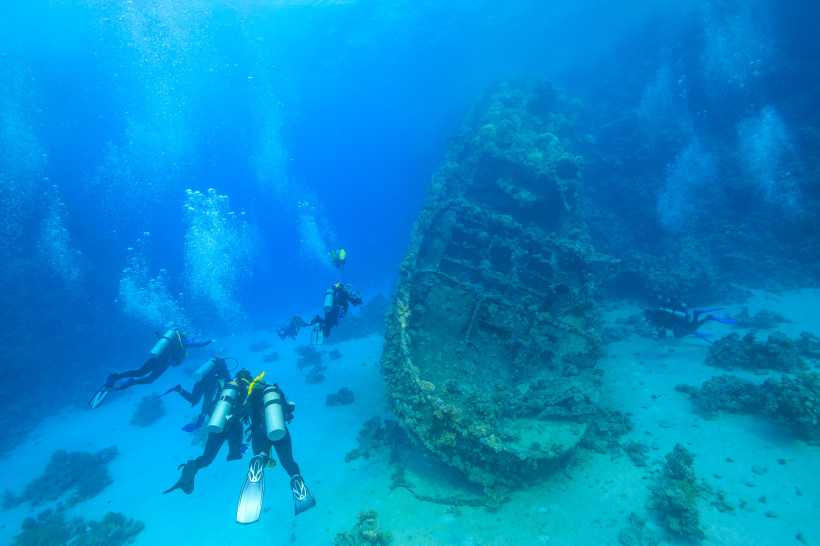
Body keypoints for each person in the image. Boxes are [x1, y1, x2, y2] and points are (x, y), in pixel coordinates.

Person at [164, 369, 315, 520]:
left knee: (218, 457)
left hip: (252, 430)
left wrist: (230, 419)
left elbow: (238, 412)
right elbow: (289, 409)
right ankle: (296, 480)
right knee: (288, 461)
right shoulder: (274, 392)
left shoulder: (247, 395)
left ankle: (258, 459)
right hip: (279, 429)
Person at [89, 328, 213, 408]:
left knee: (139, 372)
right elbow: (198, 344)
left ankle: (115, 376)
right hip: (163, 363)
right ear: (184, 337)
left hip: (155, 358)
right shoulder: (183, 342)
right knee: (149, 380)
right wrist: (210, 341)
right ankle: (131, 382)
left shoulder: (170, 341)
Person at [161, 356, 232, 431]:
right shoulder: (224, 371)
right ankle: (201, 418)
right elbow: (227, 384)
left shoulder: (208, 368)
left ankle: (179, 390)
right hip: (211, 386)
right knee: (206, 405)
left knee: (194, 400)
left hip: (200, 382)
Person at [645, 295, 736, 342]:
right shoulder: (660, 311)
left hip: (677, 322)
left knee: (687, 330)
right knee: (688, 330)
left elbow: (663, 325)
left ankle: (707, 317)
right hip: (680, 319)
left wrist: (659, 333)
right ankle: (698, 316)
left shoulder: (655, 316)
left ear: (649, 315)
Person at [294, 283, 362, 344]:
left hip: (328, 310)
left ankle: (316, 320)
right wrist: (358, 298)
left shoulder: (333, 294)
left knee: (327, 333)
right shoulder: (343, 292)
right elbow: (353, 301)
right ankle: (317, 319)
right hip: (337, 310)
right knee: (330, 325)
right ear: (343, 287)